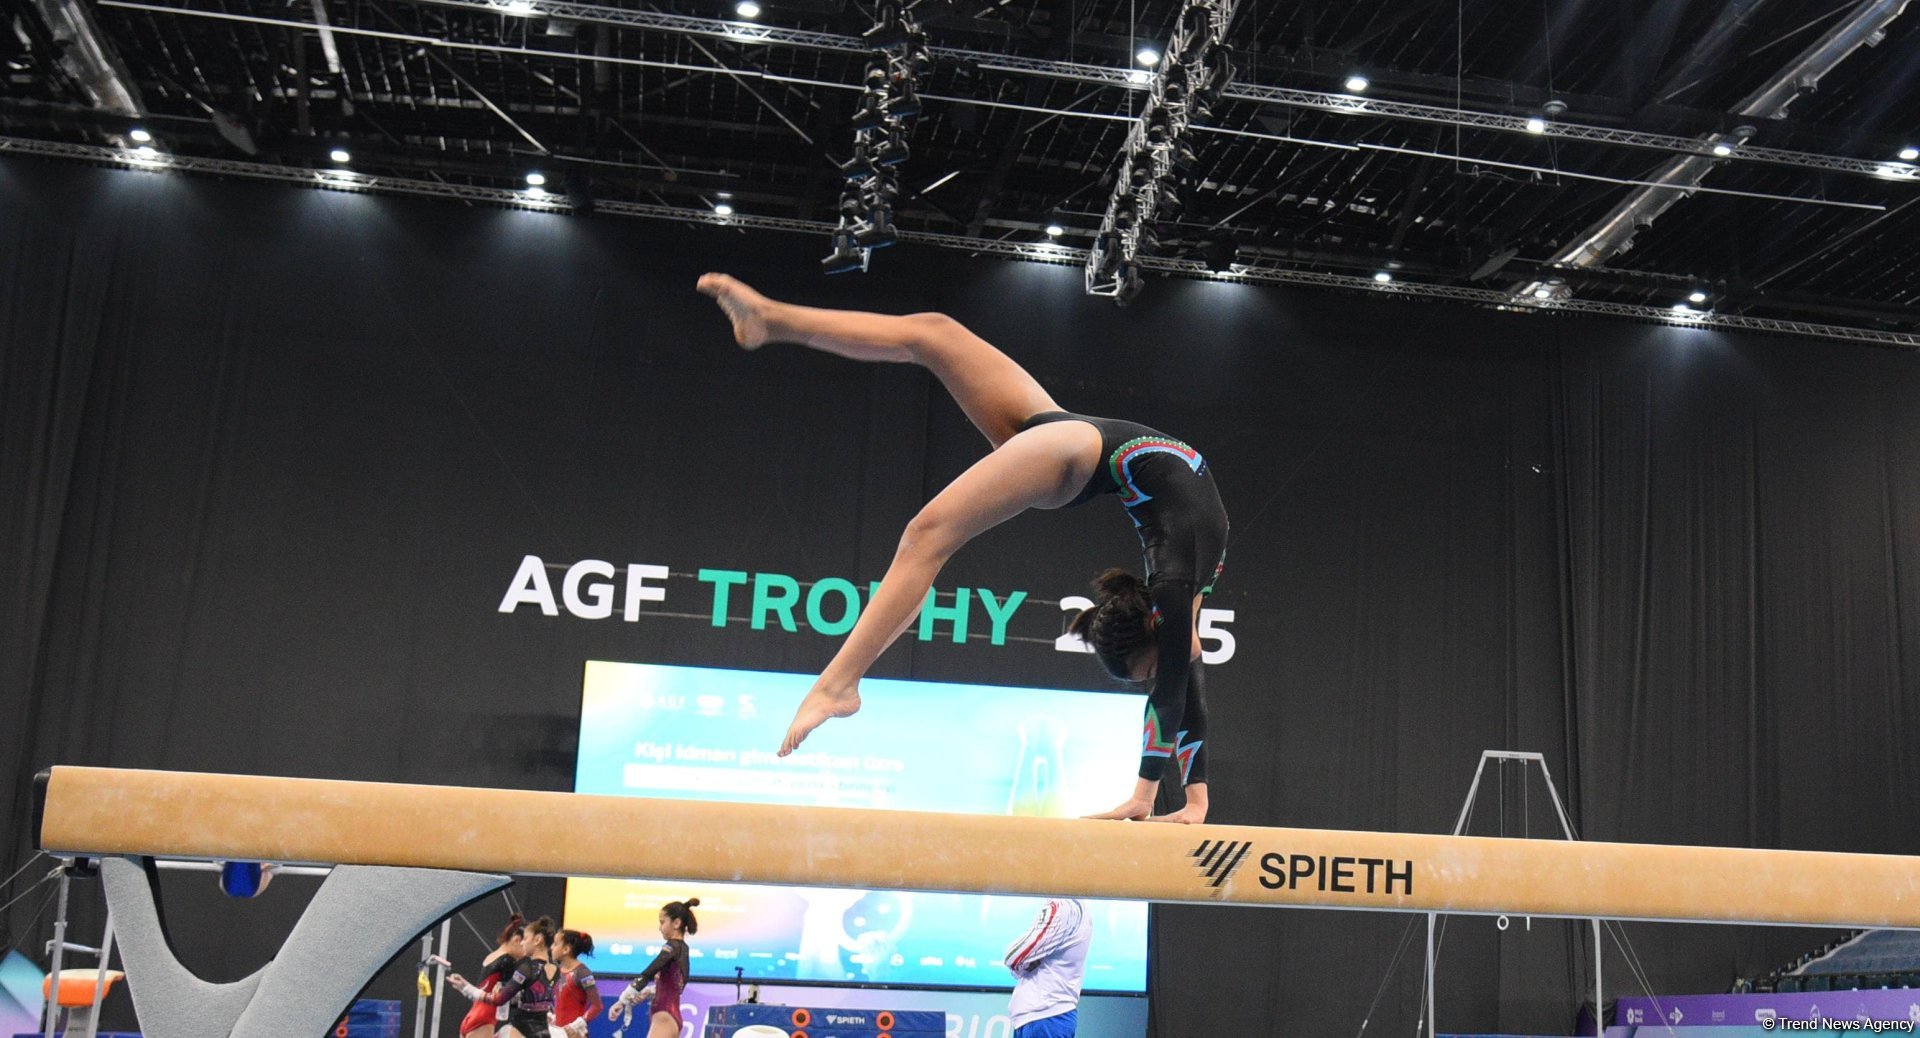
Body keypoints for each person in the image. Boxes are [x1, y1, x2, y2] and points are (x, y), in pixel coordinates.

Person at [697, 274, 1228, 823]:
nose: (1160, 673)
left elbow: (1182, 680)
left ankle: (840, 681)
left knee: (932, 362)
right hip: (1070, 452)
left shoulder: (1179, 592)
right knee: (933, 355)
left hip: (1076, 440)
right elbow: (1172, 689)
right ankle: (840, 685)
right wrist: (1159, 798)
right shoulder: (1175, 590)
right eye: (1146, 671)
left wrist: (1192, 800)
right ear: (1149, 632)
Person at [451, 916, 558, 1038]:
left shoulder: (525, 968)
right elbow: (545, 999)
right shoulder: (556, 970)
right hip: (540, 1030)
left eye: (526, 939)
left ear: (537, 940)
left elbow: (499, 999)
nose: (523, 943)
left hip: (514, 1027)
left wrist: (466, 988)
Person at [610, 898, 699, 1038]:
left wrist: (623, 1000)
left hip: (664, 1014)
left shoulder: (672, 946)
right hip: (670, 1014)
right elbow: (675, 986)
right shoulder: (683, 949)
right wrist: (649, 992)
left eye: (662, 922)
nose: (659, 927)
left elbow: (648, 973)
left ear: (676, 923)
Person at [1003, 898, 1093, 1038]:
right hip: (1044, 1017)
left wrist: (1025, 962)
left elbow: (1012, 956)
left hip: (1044, 1017)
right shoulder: (1074, 908)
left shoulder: (1062, 907)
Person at [458, 914, 526, 1038]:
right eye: (524, 947)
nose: (525, 953)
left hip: (472, 1016)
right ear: (516, 940)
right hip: (485, 1019)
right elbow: (506, 997)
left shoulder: (491, 956)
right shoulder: (508, 961)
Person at [550, 929, 601, 1038]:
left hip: (575, 1034)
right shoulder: (558, 970)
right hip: (559, 1032)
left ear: (566, 949)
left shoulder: (582, 972)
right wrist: (554, 1016)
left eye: (555, 944)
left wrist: (577, 1024)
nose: (551, 947)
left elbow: (597, 1006)